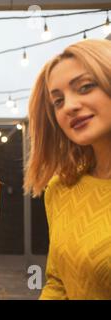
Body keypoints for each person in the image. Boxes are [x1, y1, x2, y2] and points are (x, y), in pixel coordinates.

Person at [24, 39, 111, 299]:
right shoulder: (61, 189)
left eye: (85, 87)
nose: (70, 106)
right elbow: (58, 282)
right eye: (58, 101)